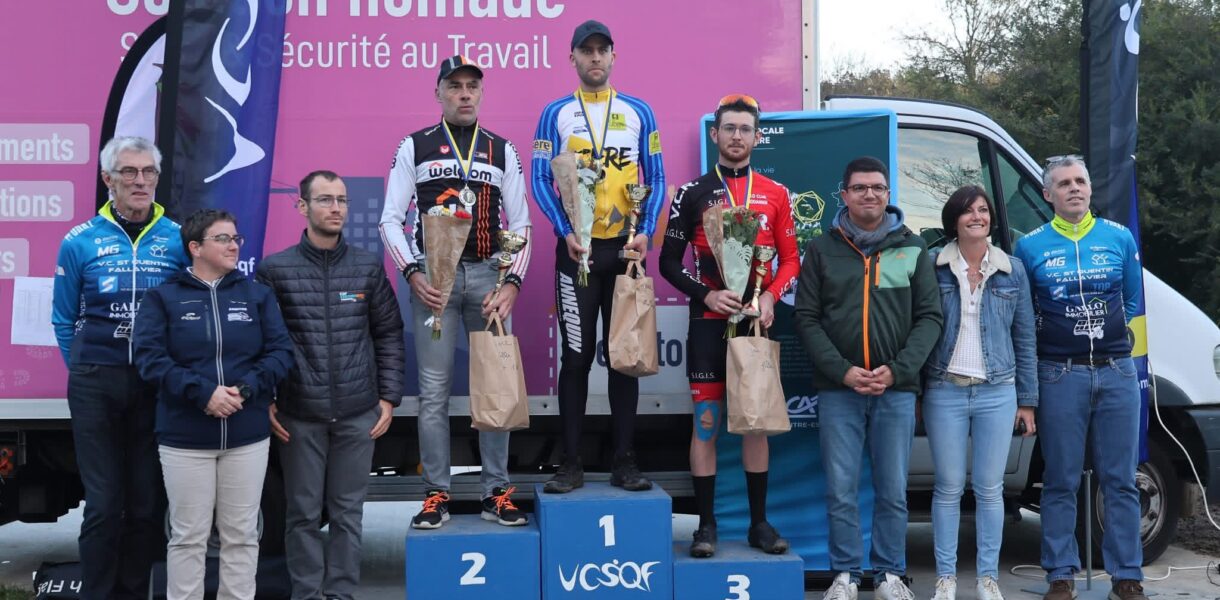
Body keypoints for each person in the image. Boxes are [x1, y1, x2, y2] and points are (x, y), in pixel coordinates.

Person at [379, 55, 533, 529]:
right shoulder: (415, 145)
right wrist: (412, 273)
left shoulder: (502, 149)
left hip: (489, 278)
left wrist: (511, 284)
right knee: (433, 392)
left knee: (496, 383)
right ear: (439, 93)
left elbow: (521, 224)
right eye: (454, 86)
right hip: (435, 282)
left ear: (481, 93)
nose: (464, 94)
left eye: (471, 86)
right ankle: (436, 495)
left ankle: (496, 493)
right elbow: (390, 219)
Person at [793, 157, 943, 600]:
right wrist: (842, 370)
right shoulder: (822, 250)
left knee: (893, 489)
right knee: (841, 489)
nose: (869, 194)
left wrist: (897, 370)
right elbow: (806, 318)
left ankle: (889, 574)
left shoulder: (912, 247)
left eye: (877, 187)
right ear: (844, 195)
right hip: (839, 390)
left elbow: (930, 317)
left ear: (888, 194)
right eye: (860, 188)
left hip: (895, 390)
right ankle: (845, 575)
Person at [659, 94, 799, 558]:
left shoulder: (776, 193)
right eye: (729, 129)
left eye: (745, 129)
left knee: (755, 423)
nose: (737, 137)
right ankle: (706, 526)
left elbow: (791, 260)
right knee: (706, 423)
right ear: (714, 134)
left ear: (757, 137)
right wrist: (706, 294)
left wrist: (770, 296)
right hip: (707, 321)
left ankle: (759, 524)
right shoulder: (691, 192)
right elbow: (668, 263)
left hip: (754, 324)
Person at [531, 19, 666, 493]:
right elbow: (539, 178)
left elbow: (656, 177)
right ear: (572, 57)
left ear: (613, 56)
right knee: (576, 357)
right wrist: (565, 230)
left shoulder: (639, 111)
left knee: (624, 357)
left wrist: (645, 232)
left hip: (625, 251)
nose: (594, 57)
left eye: (601, 50)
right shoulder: (555, 113)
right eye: (585, 50)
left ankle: (624, 461)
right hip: (577, 252)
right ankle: (570, 463)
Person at [50, 135, 188, 599]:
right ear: (108, 179)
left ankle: (132, 593)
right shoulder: (80, 241)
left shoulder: (176, 238)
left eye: (148, 171)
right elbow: (63, 318)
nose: (140, 180)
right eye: (129, 171)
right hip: (96, 381)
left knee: (146, 505)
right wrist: (84, 368)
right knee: (104, 505)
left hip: (152, 383)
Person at [256, 170, 405, 599]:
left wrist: (388, 398)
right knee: (302, 515)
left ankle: (341, 593)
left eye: (341, 200)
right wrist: (266, 398)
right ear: (302, 206)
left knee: (347, 515)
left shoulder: (366, 266)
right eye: (325, 200)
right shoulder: (275, 270)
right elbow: (259, 341)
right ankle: (306, 593)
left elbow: (388, 333)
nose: (336, 208)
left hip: (358, 414)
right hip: (298, 415)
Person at [133, 209, 293, 600]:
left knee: (242, 535)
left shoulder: (256, 295)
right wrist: (203, 393)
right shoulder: (163, 298)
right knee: (188, 536)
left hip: (246, 436)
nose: (233, 245)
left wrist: (246, 389)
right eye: (222, 238)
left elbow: (281, 353)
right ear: (195, 247)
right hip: (184, 439)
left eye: (236, 238)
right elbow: (150, 359)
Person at [1012, 155, 1148, 600]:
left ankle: (1127, 576)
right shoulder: (1029, 246)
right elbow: (1025, 315)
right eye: (1064, 183)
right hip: (1058, 375)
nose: (1074, 188)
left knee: (1121, 479)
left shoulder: (1119, 237)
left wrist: (1104, 328)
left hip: (1116, 371)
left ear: (1089, 188)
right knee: (1060, 479)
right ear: (1047, 194)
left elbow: (1132, 300)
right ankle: (1060, 575)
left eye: (1080, 181)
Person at [923, 186, 1038, 600]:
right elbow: (920, 330)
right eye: (968, 210)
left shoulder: (1013, 270)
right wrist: (916, 392)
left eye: (984, 210)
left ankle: (988, 579)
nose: (978, 216)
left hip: (998, 391)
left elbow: (1025, 337)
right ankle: (946, 579)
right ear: (953, 220)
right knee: (948, 487)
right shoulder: (932, 266)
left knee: (990, 489)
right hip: (944, 389)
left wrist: (1027, 401)